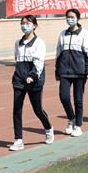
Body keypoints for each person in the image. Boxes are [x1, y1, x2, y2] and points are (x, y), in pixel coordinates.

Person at [9, 15, 54, 151]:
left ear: (34, 26)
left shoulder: (39, 43)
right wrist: (19, 75)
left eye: (28, 23)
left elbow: (39, 62)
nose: (24, 26)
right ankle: (18, 140)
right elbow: (17, 60)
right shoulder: (18, 43)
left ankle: (48, 128)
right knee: (17, 110)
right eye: (22, 23)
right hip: (19, 80)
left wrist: (32, 76)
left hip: (34, 81)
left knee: (37, 110)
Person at [56, 8, 88, 137]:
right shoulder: (63, 34)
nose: (70, 19)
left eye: (72, 17)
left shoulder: (84, 33)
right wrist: (57, 70)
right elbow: (58, 52)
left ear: (78, 18)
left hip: (79, 72)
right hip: (64, 72)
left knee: (78, 100)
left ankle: (78, 125)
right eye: (68, 17)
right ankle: (71, 118)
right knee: (64, 97)